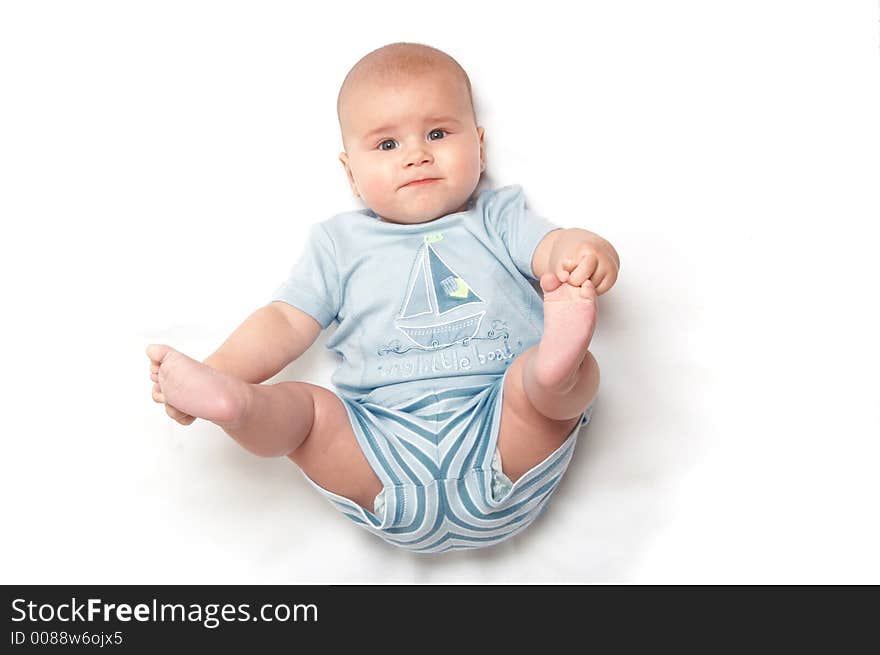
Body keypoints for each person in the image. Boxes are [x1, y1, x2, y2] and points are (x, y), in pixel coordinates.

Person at [147, 42, 620, 553]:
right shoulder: (339, 245)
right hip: (376, 450)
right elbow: (284, 322)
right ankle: (236, 404)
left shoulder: (496, 219)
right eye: (387, 145)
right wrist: (223, 366)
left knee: (548, 384)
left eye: (438, 133)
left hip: (503, 429)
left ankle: (554, 372)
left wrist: (584, 253)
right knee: (307, 415)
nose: (417, 154)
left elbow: (551, 249)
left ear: (480, 148)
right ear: (350, 173)